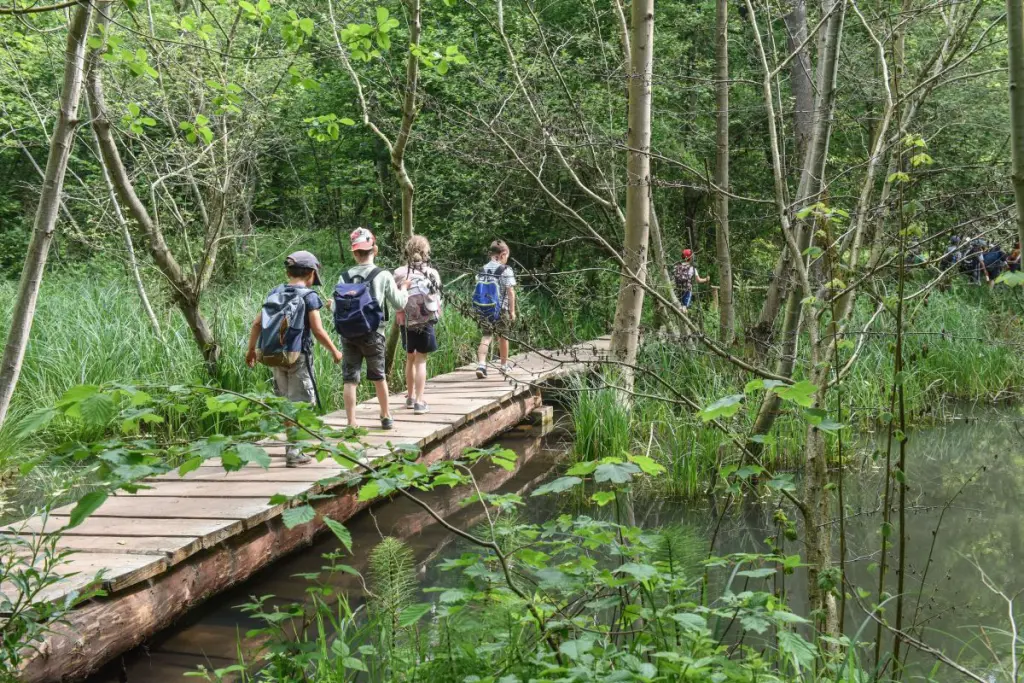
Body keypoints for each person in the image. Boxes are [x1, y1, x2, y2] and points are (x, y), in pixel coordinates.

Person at [246, 250, 343, 467]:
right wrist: (335, 351)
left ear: (288, 272)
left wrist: (251, 350)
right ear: (311, 274)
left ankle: (293, 447)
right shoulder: (309, 297)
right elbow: (317, 331)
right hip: (299, 357)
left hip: (275, 355)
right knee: (301, 403)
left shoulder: (275, 292)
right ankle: (294, 451)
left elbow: (256, 324)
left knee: (286, 402)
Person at [334, 227, 410, 430]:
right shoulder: (382, 275)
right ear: (374, 249)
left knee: (350, 379)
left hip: (348, 334)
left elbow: (335, 307)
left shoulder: (344, 277)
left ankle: (351, 423)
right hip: (374, 333)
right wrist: (404, 288)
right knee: (378, 376)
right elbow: (399, 304)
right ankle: (385, 416)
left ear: (354, 252)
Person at [393, 235, 442, 415]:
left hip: (406, 321)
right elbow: (437, 296)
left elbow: (395, 298)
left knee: (410, 358)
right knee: (421, 360)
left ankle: (410, 397)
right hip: (425, 321)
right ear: (425, 251)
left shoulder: (399, 273)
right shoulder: (432, 273)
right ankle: (420, 403)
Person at [473, 239, 517, 378]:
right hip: (500, 309)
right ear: (503, 254)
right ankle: (504, 366)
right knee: (503, 337)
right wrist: (512, 311)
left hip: (484, 308)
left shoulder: (483, 269)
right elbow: (510, 292)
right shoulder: (506, 270)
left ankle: (481, 365)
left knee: (486, 336)